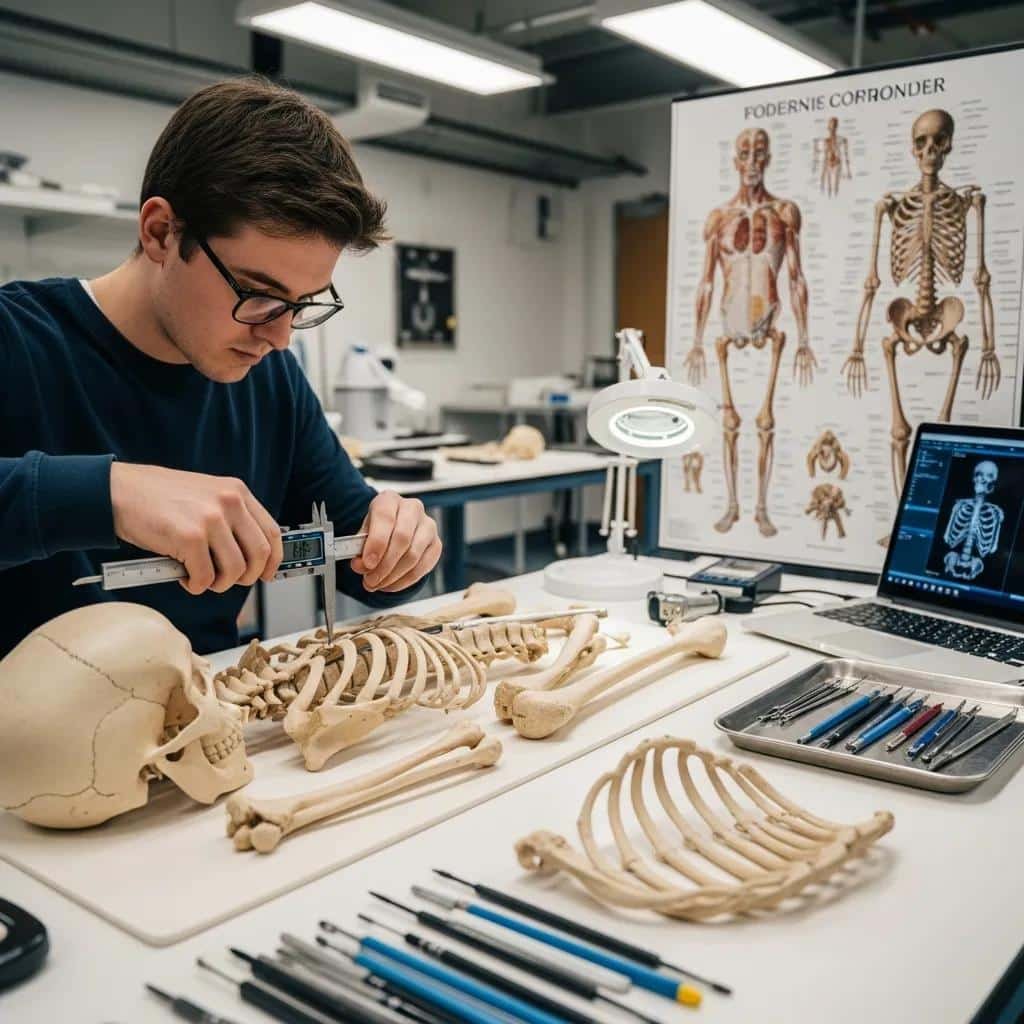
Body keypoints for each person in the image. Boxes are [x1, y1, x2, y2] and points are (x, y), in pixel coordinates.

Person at [0, 76, 441, 658]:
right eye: (259, 294)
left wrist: (402, 545)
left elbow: (360, 557)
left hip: (210, 699)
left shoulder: (271, 379)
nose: (280, 336)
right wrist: (111, 493)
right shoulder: (17, 338)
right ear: (161, 232)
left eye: (303, 304)